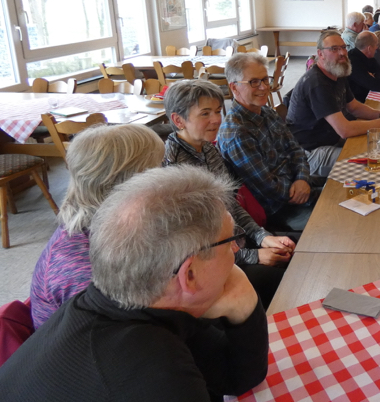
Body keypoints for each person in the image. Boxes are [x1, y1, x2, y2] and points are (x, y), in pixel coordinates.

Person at [0, 165, 270, 401]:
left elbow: (235, 377)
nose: (236, 249)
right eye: (230, 240)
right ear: (188, 275)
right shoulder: (157, 376)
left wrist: (244, 306)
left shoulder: (139, 305)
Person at [163, 79, 295, 306]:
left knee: (296, 249)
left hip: (236, 243)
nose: (216, 119)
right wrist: (253, 256)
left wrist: (262, 237)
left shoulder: (208, 149)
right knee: (287, 280)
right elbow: (194, 247)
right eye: (205, 114)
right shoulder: (174, 170)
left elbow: (231, 205)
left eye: (217, 111)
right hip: (212, 265)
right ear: (178, 120)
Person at [29, 124, 164, 329]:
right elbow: (126, 337)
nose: (166, 177)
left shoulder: (112, 229)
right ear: (126, 184)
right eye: (158, 169)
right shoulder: (84, 274)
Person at [218, 53, 317, 232]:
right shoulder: (237, 133)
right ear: (234, 87)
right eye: (254, 82)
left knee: (346, 192)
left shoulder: (267, 112)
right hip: (279, 209)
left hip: (298, 186)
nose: (264, 87)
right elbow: (268, 187)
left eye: (265, 79)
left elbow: (296, 149)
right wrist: (301, 188)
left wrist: (302, 179)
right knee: (334, 219)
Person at [287, 30, 380, 177]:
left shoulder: (337, 72)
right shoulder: (317, 83)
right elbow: (344, 130)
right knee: (374, 160)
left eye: (343, 47)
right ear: (320, 54)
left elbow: (354, 107)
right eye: (334, 49)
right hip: (309, 154)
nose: (342, 53)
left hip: (331, 141)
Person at [347, 31, 380, 102]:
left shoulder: (370, 58)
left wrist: (375, 76)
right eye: (376, 45)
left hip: (369, 97)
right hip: (358, 102)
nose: (377, 48)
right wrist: (377, 77)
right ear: (369, 48)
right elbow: (377, 86)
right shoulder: (353, 62)